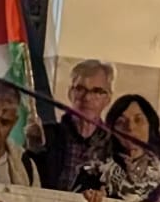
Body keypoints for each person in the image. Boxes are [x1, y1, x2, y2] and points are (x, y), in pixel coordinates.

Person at [27, 58, 115, 192]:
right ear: (70, 93)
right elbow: (27, 181)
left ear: (107, 99)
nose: (87, 98)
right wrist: (34, 149)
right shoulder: (46, 135)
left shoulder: (114, 146)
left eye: (97, 91)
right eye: (80, 89)